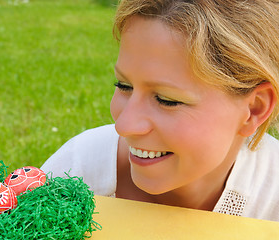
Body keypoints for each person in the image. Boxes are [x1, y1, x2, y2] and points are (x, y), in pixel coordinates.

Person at [41, 0, 279, 221]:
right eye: (124, 86)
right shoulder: (75, 172)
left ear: (254, 108)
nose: (124, 126)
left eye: (167, 100)